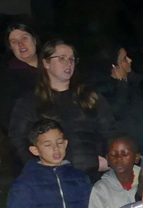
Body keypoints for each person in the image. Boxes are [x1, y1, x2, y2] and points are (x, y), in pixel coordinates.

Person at [7, 39, 116, 178]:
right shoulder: (29, 102)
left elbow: (111, 132)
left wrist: (109, 159)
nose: (68, 63)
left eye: (71, 59)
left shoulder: (90, 97)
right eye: (62, 58)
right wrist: (40, 167)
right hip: (53, 180)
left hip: (94, 178)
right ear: (46, 63)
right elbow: (17, 140)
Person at [90, 44, 143, 159]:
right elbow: (116, 112)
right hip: (123, 153)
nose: (130, 60)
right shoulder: (102, 88)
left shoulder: (134, 83)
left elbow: (142, 111)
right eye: (124, 58)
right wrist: (122, 82)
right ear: (114, 65)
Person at [0, 22, 42, 131]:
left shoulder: (54, 68)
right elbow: (8, 119)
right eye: (14, 42)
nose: (20, 44)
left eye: (24, 38)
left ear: (34, 40)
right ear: (11, 48)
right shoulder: (8, 80)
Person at [88, 136, 141, 208]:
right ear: (107, 159)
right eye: (113, 155)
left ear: (136, 157)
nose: (119, 158)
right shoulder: (101, 189)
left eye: (125, 154)